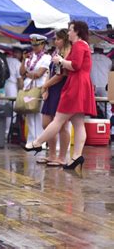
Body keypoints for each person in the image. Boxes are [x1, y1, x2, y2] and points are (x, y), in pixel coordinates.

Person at [25, 21, 96, 171]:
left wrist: (61, 61)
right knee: (78, 123)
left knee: (59, 119)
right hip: (82, 84)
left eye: (71, 30)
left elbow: (75, 65)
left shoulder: (78, 45)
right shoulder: (83, 45)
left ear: (76, 31)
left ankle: (37, 143)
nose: (69, 33)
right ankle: (76, 156)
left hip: (76, 85)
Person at [37, 29, 71, 166]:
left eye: (58, 39)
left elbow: (60, 75)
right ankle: (51, 154)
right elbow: (50, 72)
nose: (55, 41)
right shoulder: (56, 53)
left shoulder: (66, 54)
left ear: (64, 39)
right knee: (46, 122)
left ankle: (61, 157)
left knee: (62, 125)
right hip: (52, 89)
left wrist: (45, 85)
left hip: (61, 89)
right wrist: (46, 87)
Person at [19, 34, 51, 146]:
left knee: (38, 115)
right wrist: (23, 60)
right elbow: (21, 72)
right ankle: (31, 139)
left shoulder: (47, 58)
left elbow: (38, 74)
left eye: (37, 45)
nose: (34, 47)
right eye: (33, 45)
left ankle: (40, 141)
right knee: (29, 114)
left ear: (43, 44)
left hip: (39, 89)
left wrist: (27, 74)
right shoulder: (30, 57)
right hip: (28, 88)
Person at [4, 46, 23, 136]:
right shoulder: (17, 63)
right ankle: (7, 132)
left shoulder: (7, 60)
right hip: (12, 86)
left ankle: (4, 131)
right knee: (11, 110)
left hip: (3, 86)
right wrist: (21, 90)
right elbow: (20, 79)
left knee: (3, 107)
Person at [91, 43, 112, 119]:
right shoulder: (108, 60)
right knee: (107, 109)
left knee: (89, 107)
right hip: (104, 86)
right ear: (102, 50)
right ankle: (110, 127)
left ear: (94, 49)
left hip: (91, 86)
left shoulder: (89, 58)